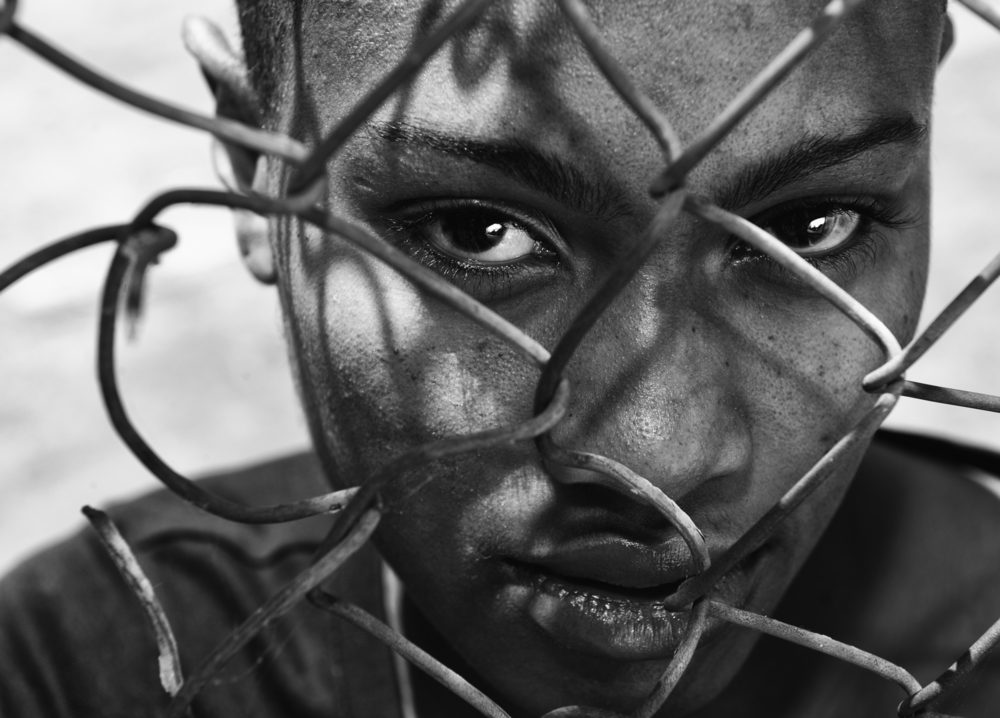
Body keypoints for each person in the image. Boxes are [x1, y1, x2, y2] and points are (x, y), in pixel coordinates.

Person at [2, 0, 999, 716]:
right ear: (259, 166)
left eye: (810, 226)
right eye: (478, 232)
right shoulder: (75, 667)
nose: (657, 456)